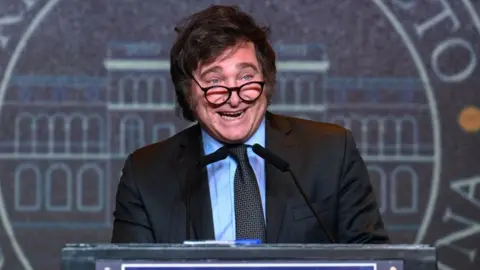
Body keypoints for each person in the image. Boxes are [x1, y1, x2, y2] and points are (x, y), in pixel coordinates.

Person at [110, 4, 389, 244]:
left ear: (266, 83)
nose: (234, 98)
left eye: (246, 77)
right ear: (188, 93)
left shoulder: (331, 153)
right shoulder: (146, 175)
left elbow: (374, 258)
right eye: (214, 82)